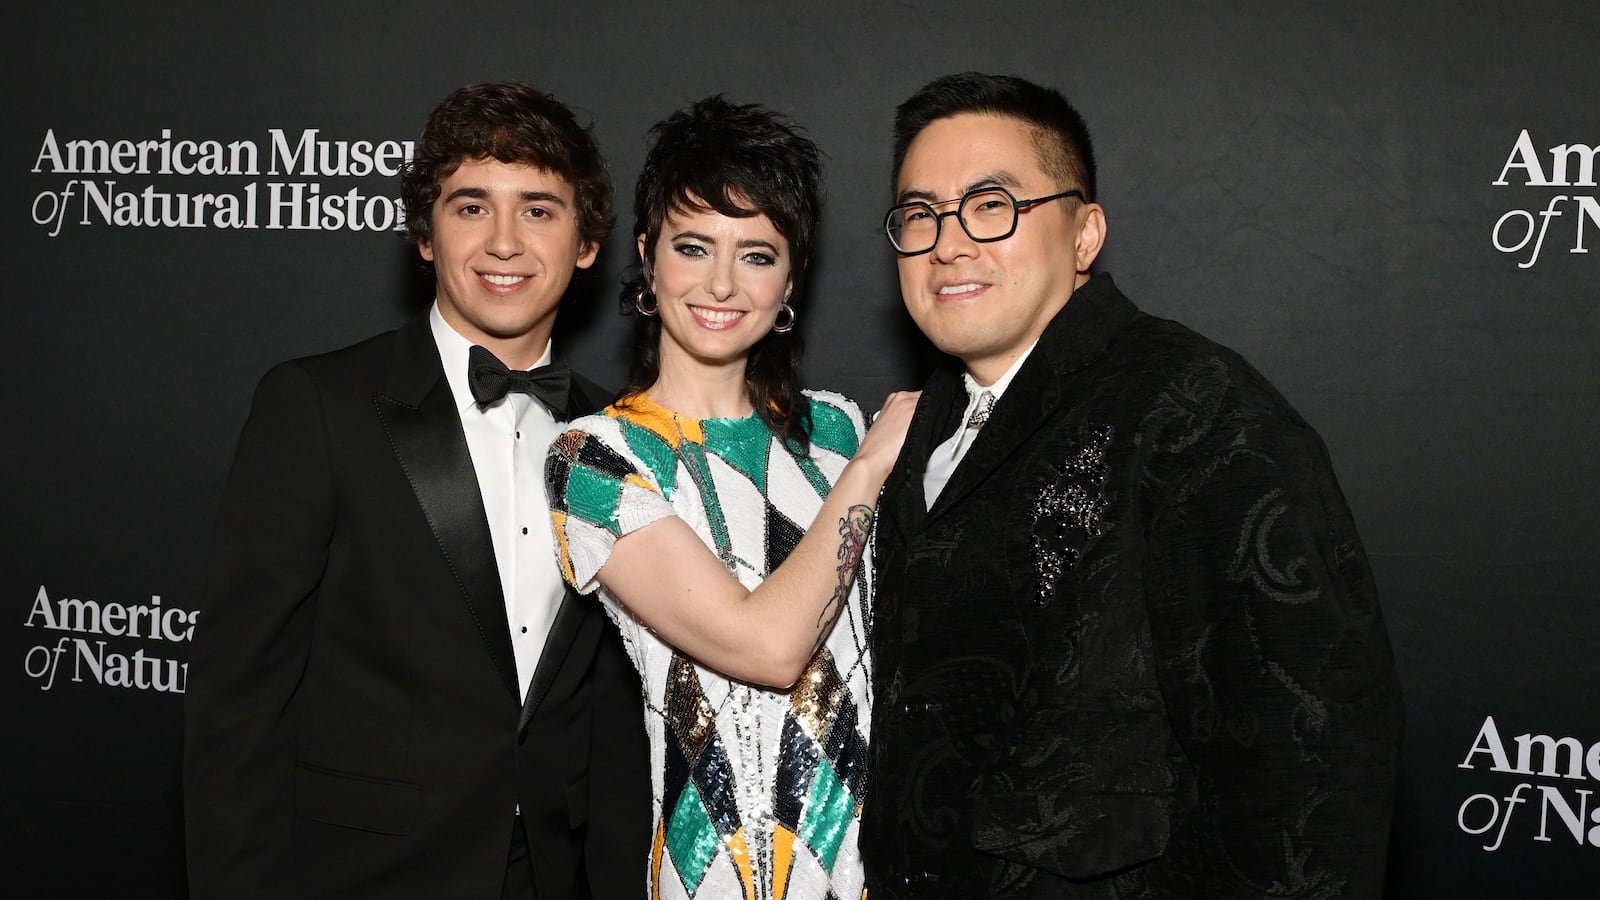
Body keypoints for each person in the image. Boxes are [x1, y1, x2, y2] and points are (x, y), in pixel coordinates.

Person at [863, 72, 1404, 899]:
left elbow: (1314, 762)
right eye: (920, 214)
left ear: (1084, 235)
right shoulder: (918, 428)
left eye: (991, 205)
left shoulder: (1195, 409)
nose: (949, 243)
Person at [183, 82, 649, 900]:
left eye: (539, 209)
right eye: (471, 207)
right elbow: (239, 705)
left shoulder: (620, 436)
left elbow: (611, 721)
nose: (504, 242)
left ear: (587, 242)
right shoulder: (318, 407)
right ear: (425, 236)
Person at [545, 96, 915, 900]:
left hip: (879, 867)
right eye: (693, 246)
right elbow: (768, 649)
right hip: (720, 870)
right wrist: (874, 466)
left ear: (791, 278)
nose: (721, 283)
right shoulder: (595, 458)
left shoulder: (838, 431)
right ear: (647, 257)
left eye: (756, 254)